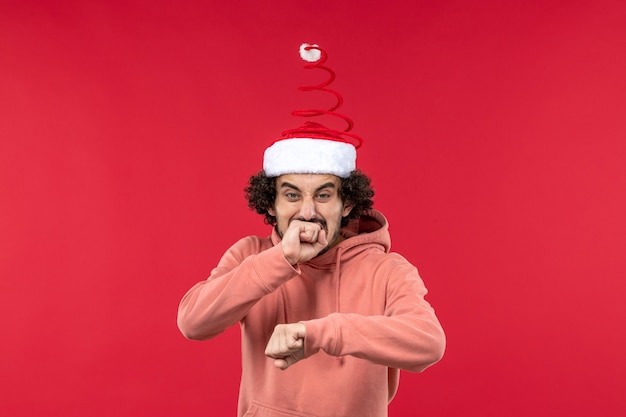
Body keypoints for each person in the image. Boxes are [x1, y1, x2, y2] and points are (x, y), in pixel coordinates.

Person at [177, 43, 445, 417]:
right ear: (270, 203)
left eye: (323, 195)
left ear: (346, 203)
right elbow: (193, 322)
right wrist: (281, 259)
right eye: (291, 195)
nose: (307, 211)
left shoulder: (387, 270)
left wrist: (323, 333)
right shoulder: (249, 255)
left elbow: (429, 344)